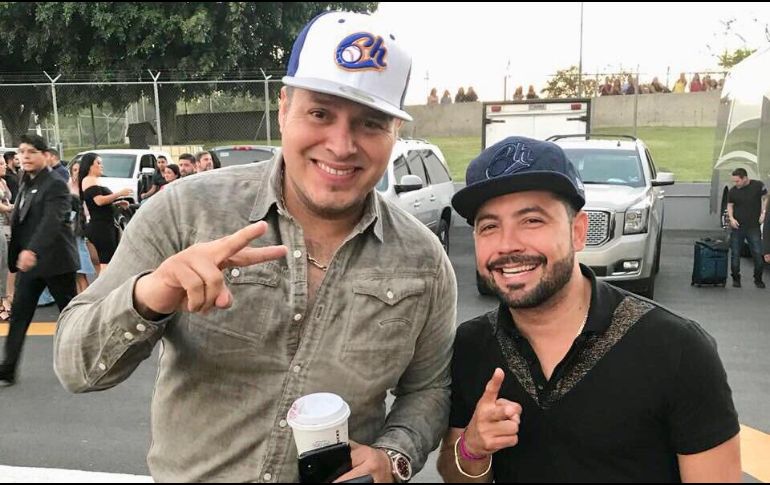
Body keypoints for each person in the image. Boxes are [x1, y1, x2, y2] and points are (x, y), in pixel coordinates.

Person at [54, 11, 456, 483]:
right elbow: (76, 368)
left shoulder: (423, 260)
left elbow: (430, 388)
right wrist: (151, 293)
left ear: (394, 134)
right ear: (283, 108)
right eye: (320, 113)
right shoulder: (187, 212)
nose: (342, 145)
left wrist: (394, 455)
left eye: (371, 123)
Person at [436, 136, 741, 482]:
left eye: (532, 220)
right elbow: (455, 473)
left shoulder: (676, 349)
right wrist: (471, 448)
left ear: (578, 231)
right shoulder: (472, 345)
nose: (507, 245)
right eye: (489, 226)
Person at [0, 135, 79, 387]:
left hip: (56, 263)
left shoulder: (55, 183)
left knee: (69, 317)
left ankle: (82, 361)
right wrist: (21, 252)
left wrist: (32, 250)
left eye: (31, 151)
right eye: (21, 152)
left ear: (46, 155)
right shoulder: (25, 181)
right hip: (30, 267)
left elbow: (52, 221)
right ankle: (8, 368)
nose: (24, 156)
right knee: (20, 315)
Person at [78, 153, 132, 273]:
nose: (101, 166)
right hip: (101, 227)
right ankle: (105, 289)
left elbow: (99, 203)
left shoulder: (94, 181)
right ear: (90, 166)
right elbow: (98, 201)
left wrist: (117, 203)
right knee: (106, 263)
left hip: (106, 224)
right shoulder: (89, 180)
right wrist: (119, 193)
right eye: (98, 163)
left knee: (109, 261)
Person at [727, 167, 767, 288]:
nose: (735, 184)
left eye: (737, 181)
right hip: (738, 227)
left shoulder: (758, 186)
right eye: (734, 181)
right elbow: (730, 205)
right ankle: (736, 278)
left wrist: (763, 212)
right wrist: (731, 218)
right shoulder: (733, 191)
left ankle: (758, 278)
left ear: (744, 178)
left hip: (753, 226)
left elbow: (765, 197)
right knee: (735, 254)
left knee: (757, 253)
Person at [67, 161, 97, 294]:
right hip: (70, 230)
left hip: (85, 229)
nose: (76, 173)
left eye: (79, 170)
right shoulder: (67, 186)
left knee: (89, 265)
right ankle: (82, 298)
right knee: (77, 271)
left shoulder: (87, 186)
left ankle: (89, 296)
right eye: (74, 170)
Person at [0, 157, 13, 320]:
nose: (4, 166)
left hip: (7, 227)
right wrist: (13, 208)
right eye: (0, 164)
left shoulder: (3, 181)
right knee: (1, 264)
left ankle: (5, 299)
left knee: (5, 264)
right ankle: (2, 304)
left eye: (4, 163)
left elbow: (6, 200)